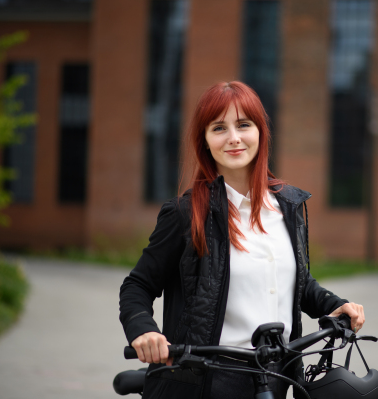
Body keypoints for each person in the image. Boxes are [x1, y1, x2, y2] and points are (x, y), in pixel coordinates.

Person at [119, 81, 365, 399]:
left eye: (243, 125)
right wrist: (145, 331)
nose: (234, 138)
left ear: (260, 132)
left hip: (277, 376)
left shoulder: (288, 207)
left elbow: (296, 284)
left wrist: (335, 305)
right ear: (205, 141)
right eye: (219, 128)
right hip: (207, 379)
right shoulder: (185, 213)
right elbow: (137, 285)